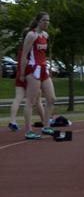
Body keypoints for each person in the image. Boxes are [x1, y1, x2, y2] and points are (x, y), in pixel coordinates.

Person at [19, 12, 57, 140]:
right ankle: (28, 131)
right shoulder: (31, 35)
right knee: (31, 101)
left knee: (51, 99)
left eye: (48, 20)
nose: (46, 23)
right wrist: (22, 73)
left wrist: (48, 67)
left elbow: (43, 54)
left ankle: (46, 126)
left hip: (43, 68)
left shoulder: (45, 35)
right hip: (33, 69)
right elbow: (24, 55)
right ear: (38, 21)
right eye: (44, 20)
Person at [8, 27, 48, 132]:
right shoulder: (29, 48)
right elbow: (26, 61)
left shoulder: (21, 48)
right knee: (37, 101)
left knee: (18, 98)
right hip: (30, 73)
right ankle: (45, 122)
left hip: (21, 74)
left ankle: (12, 121)